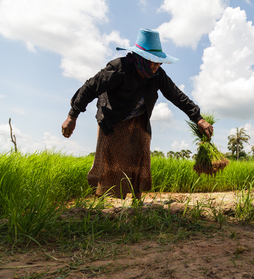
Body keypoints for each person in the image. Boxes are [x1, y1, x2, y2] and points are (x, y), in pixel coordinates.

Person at [61, 28, 213, 199]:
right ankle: (102, 201)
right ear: (141, 58)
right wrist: (72, 116)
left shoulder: (157, 75)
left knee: (140, 156)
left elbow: (176, 95)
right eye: (153, 61)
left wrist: (198, 118)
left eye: (159, 62)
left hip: (139, 119)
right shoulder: (118, 69)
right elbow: (89, 88)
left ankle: (137, 201)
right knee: (109, 160)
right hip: (113, 118)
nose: (157, 66)